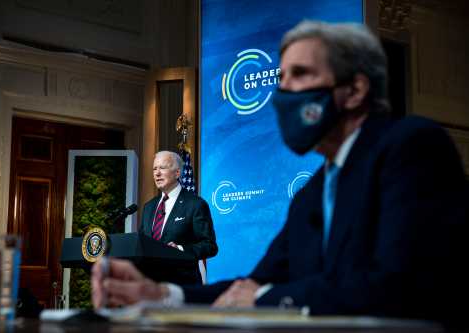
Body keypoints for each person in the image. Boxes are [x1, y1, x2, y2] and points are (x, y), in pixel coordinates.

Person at [91, 21, 468, 323]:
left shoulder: (412, 146)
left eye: (299, 75)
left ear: (354, 89)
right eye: (281, 79)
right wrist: (161, 296)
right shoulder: (311, 194)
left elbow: (400, 284)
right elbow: (251, 284)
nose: (282, 94)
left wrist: (264, 298)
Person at [137, 150, 218, 285]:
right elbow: (142, 243)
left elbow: (209, 246)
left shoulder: (195, 204)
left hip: (182, 285)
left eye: (162, 168)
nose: (157, 173)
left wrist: (180, 250)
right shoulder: (149, 207)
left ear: (177, 173)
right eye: (154, 169)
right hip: (151, 286)